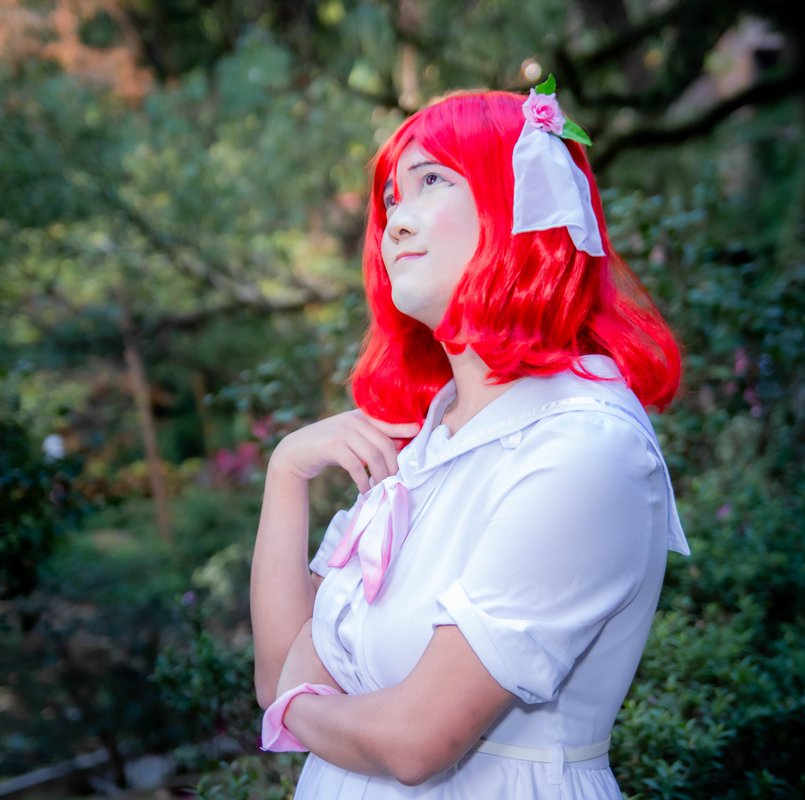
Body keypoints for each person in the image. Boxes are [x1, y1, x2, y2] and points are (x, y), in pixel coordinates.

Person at [249, 81, 690, 799]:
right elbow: (276, 674)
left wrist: (298, 709)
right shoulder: (425, 444)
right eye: (392, 197)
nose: (396, 222)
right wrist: (286, 471)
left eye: (431, 181)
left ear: (522, 205)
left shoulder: (583, 446)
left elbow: (412, 740)